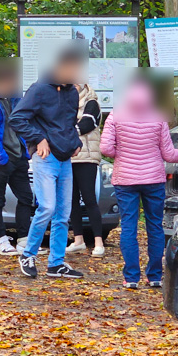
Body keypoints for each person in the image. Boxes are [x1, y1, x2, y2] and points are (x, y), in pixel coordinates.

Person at [100, 78, 178, 289]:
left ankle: (131, 277)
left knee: (129, 226)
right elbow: (169, 154)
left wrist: (124, 156)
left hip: (125, 180)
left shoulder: (115, 116)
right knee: (155, 226)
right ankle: (154, 276)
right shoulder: (158, 117)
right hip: (153, 179)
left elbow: (106, 149)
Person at [9, 46, 85, 278]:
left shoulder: (72, 92)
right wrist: (38, 139)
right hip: (45, 158)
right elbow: (17, 118)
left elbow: (69, 123)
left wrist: (75, 142)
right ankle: (28, 255)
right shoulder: (39, 89)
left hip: (65, 159)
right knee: (47, 208)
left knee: (63, 214)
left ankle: (56, 263)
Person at [0, 62, 34, 255]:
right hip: (0, 160)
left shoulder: (17, 99)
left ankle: (24, 240)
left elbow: (25, 122)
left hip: (19, 157)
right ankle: (0, 241)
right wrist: (2, 158)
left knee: (26, 198)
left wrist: (25, 151)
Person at [66, 83, 104, 257]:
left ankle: (98, 242)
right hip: (68, 156)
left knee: (89, 199)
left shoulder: (92, 102)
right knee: (71, 200)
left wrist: (64, 132)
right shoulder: (64, 100)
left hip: (87, 157)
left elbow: (88, 124)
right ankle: (78, 240)